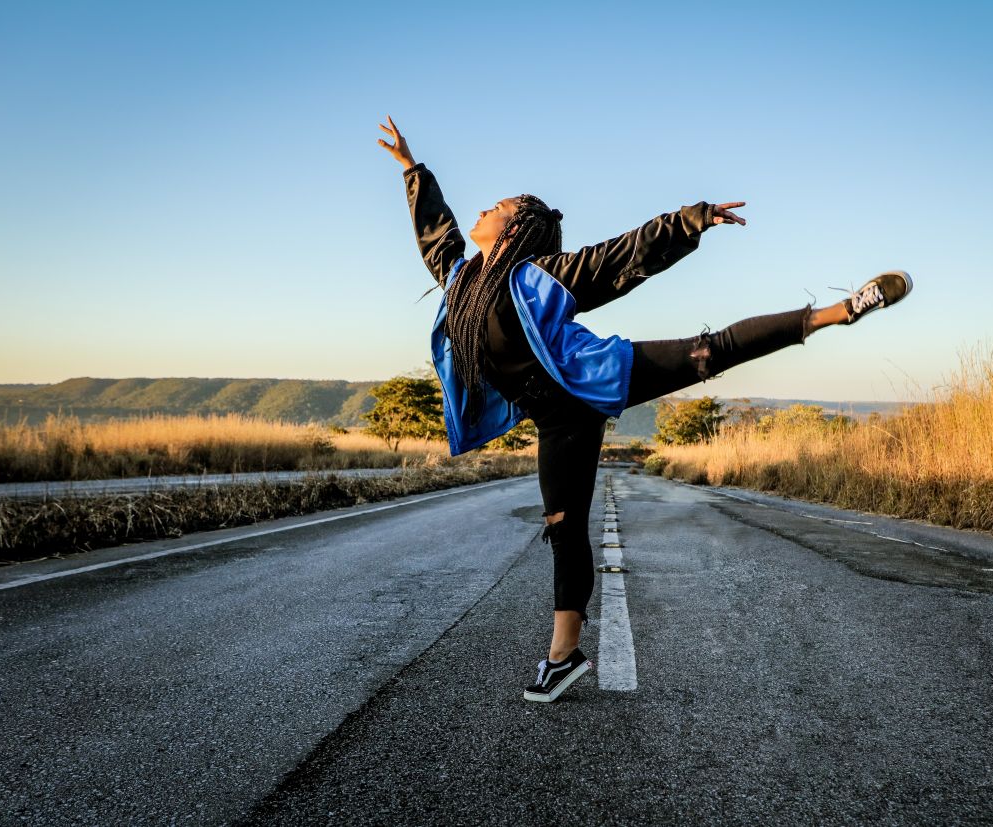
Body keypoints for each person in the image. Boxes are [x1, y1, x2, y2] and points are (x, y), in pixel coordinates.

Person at [377, 115, 912, 703]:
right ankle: (563, 657)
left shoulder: (541, 276)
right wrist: (412, 169)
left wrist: (691, 220)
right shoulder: (460, 279)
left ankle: (838, 311)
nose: (483, 210)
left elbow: (621, 256)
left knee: (711, 353)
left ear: (516, 226)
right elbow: (437, 232)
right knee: (562, 531)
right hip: (558, 421)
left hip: (602, 376)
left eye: (496, 205)